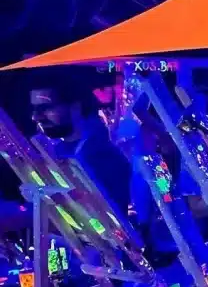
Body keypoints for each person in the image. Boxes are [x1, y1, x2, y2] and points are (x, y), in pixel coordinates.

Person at [29, 70, 131, 216]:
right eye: (34, 109)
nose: (35, 117)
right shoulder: (56, 152)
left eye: (46, 108)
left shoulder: (103, 157)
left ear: (76, 107)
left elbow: (114, 221)